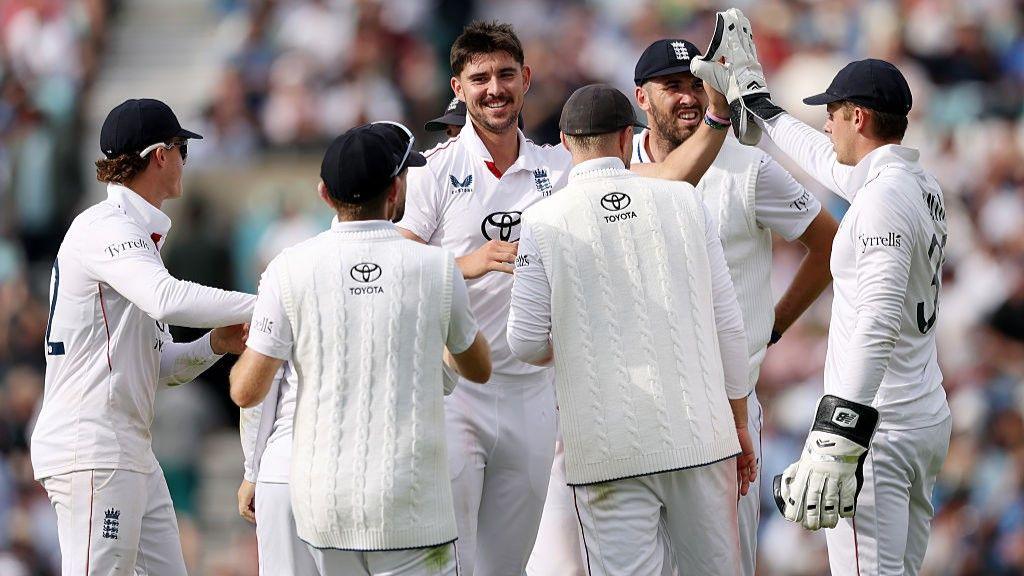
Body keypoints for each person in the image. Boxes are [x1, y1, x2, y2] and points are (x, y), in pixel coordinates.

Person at [396, 21, 732, 576]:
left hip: (537, 397)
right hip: (458, 392)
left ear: (527, 79)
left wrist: (718, 114)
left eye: (506, 74)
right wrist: (465, 265)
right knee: (450, 560)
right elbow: (397, 271)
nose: (495, 89)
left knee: (507, 565)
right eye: (479, 79)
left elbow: (669, 176)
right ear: (457, 88)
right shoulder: (435, 172)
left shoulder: (559, 166)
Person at [529, 35, 839, 576]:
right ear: (640, 99)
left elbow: (829, 243)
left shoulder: (747, 169)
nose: (689, 97)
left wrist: (773, 326)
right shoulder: (605, 167)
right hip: (625, 415)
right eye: (673, 87)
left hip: (724, 411)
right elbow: (669, 183)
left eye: (698, 84)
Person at [693, 9, 952, 575]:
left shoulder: (882, 199)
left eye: (831, 115)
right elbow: (822, 160)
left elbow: (878, 319)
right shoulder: (913, 181)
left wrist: (840, 432)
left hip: (879, 426)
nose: (827, 127)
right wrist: (761, 105)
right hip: (920, 415)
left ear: (857, 116)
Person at [507, 83, 756, 575]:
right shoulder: (684, 200)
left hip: (605, 449)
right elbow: (728, 323)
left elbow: (525, 341)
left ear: (563, 142)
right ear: (627, 138)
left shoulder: (540, 219)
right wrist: (741, 422)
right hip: (700, 435)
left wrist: (577, 342)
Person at [229, 121, 492, 576]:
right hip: (412, 508)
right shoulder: (436, 267)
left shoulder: (288, 267)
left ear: (323, 194)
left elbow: (247, 392)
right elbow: (480, 369)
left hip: (325, 510)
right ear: (394, 190)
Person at [30, 98, 255, 575]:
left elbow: (159, 368)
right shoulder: (107, 229)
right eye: (182, 150)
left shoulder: (133, 237)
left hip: (126, 446)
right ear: (160, 155)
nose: (183, 162)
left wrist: (214, 345)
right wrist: (266, 303)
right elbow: (167, 298)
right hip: (92, 447)